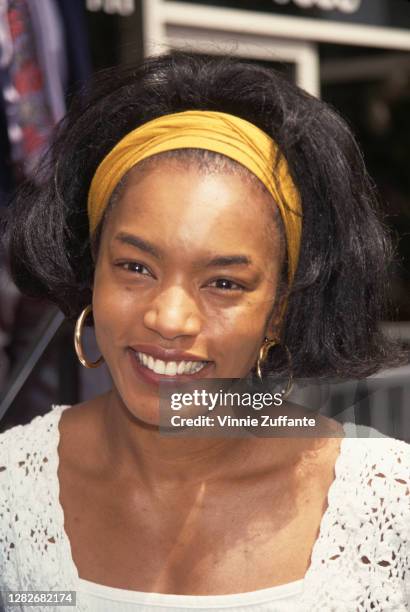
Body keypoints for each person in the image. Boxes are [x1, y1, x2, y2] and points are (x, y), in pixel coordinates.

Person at [0, 52, 409, 612]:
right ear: (92, 267)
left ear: (281, 306)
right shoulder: (11, 490)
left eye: (223, 283)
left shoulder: (387, 501)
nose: (169, 319)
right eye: (135, 267)